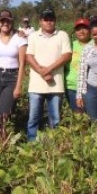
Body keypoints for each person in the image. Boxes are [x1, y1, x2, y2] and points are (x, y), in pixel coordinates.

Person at [25, 9, 72, 141]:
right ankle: (32, 145)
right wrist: (42, 72)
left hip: (56, 85)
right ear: (40, 21)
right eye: (45, 19)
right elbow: (29, 56)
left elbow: (67, 55)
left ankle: (54, 146)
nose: (48, 22)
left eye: (51, 19)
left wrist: (48, 70)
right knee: (33, 118)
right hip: (36, 86)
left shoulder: (62, 35)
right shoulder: (33, 36)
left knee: (55, 119)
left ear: (55, 21)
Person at [0, 9, 27, 138]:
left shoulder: (20, 39)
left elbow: (22, 63)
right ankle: (2, 138)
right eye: (2, 21)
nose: (5, 23)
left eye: (8, 21)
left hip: (12, 77)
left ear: (12, 22)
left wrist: (18, 85)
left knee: (4, 110)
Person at [64, 18, 92, 112]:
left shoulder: (96, 44)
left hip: (91, 88)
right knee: (78, 115)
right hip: (71, 87)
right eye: (78, 29)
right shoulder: (70, 45)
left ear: (90, 30)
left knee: (92, 116)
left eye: (84, 28)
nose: (81, 31)